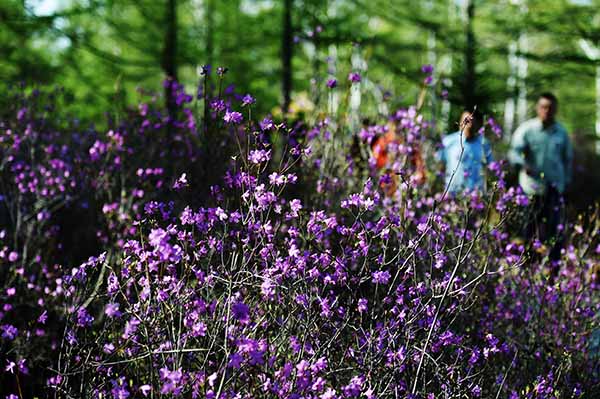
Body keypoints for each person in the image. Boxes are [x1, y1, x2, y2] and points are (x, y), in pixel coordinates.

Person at [508, 92, 573, 261]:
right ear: (538, 108)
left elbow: (568, 161)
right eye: (544, 107)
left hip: (554, 189)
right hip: (531, 189)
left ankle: (553, 269)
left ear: (555, 110)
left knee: (554, 231)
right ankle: (526, 268)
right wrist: (523, 164)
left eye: (550, 108)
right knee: (528, 229)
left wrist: (565, 184)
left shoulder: (561, 133)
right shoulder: (527, 130)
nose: (547, 110)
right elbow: (514, 153)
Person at [437, 109, 493, 194]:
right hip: (452, 192)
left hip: (475, 195)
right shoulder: (448, 141)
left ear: (477, 124)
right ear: (460, 123)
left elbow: (490, 168)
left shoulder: (484, 144)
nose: (469, 124)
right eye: (466, 120)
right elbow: (440, 166)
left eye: (472, 121)